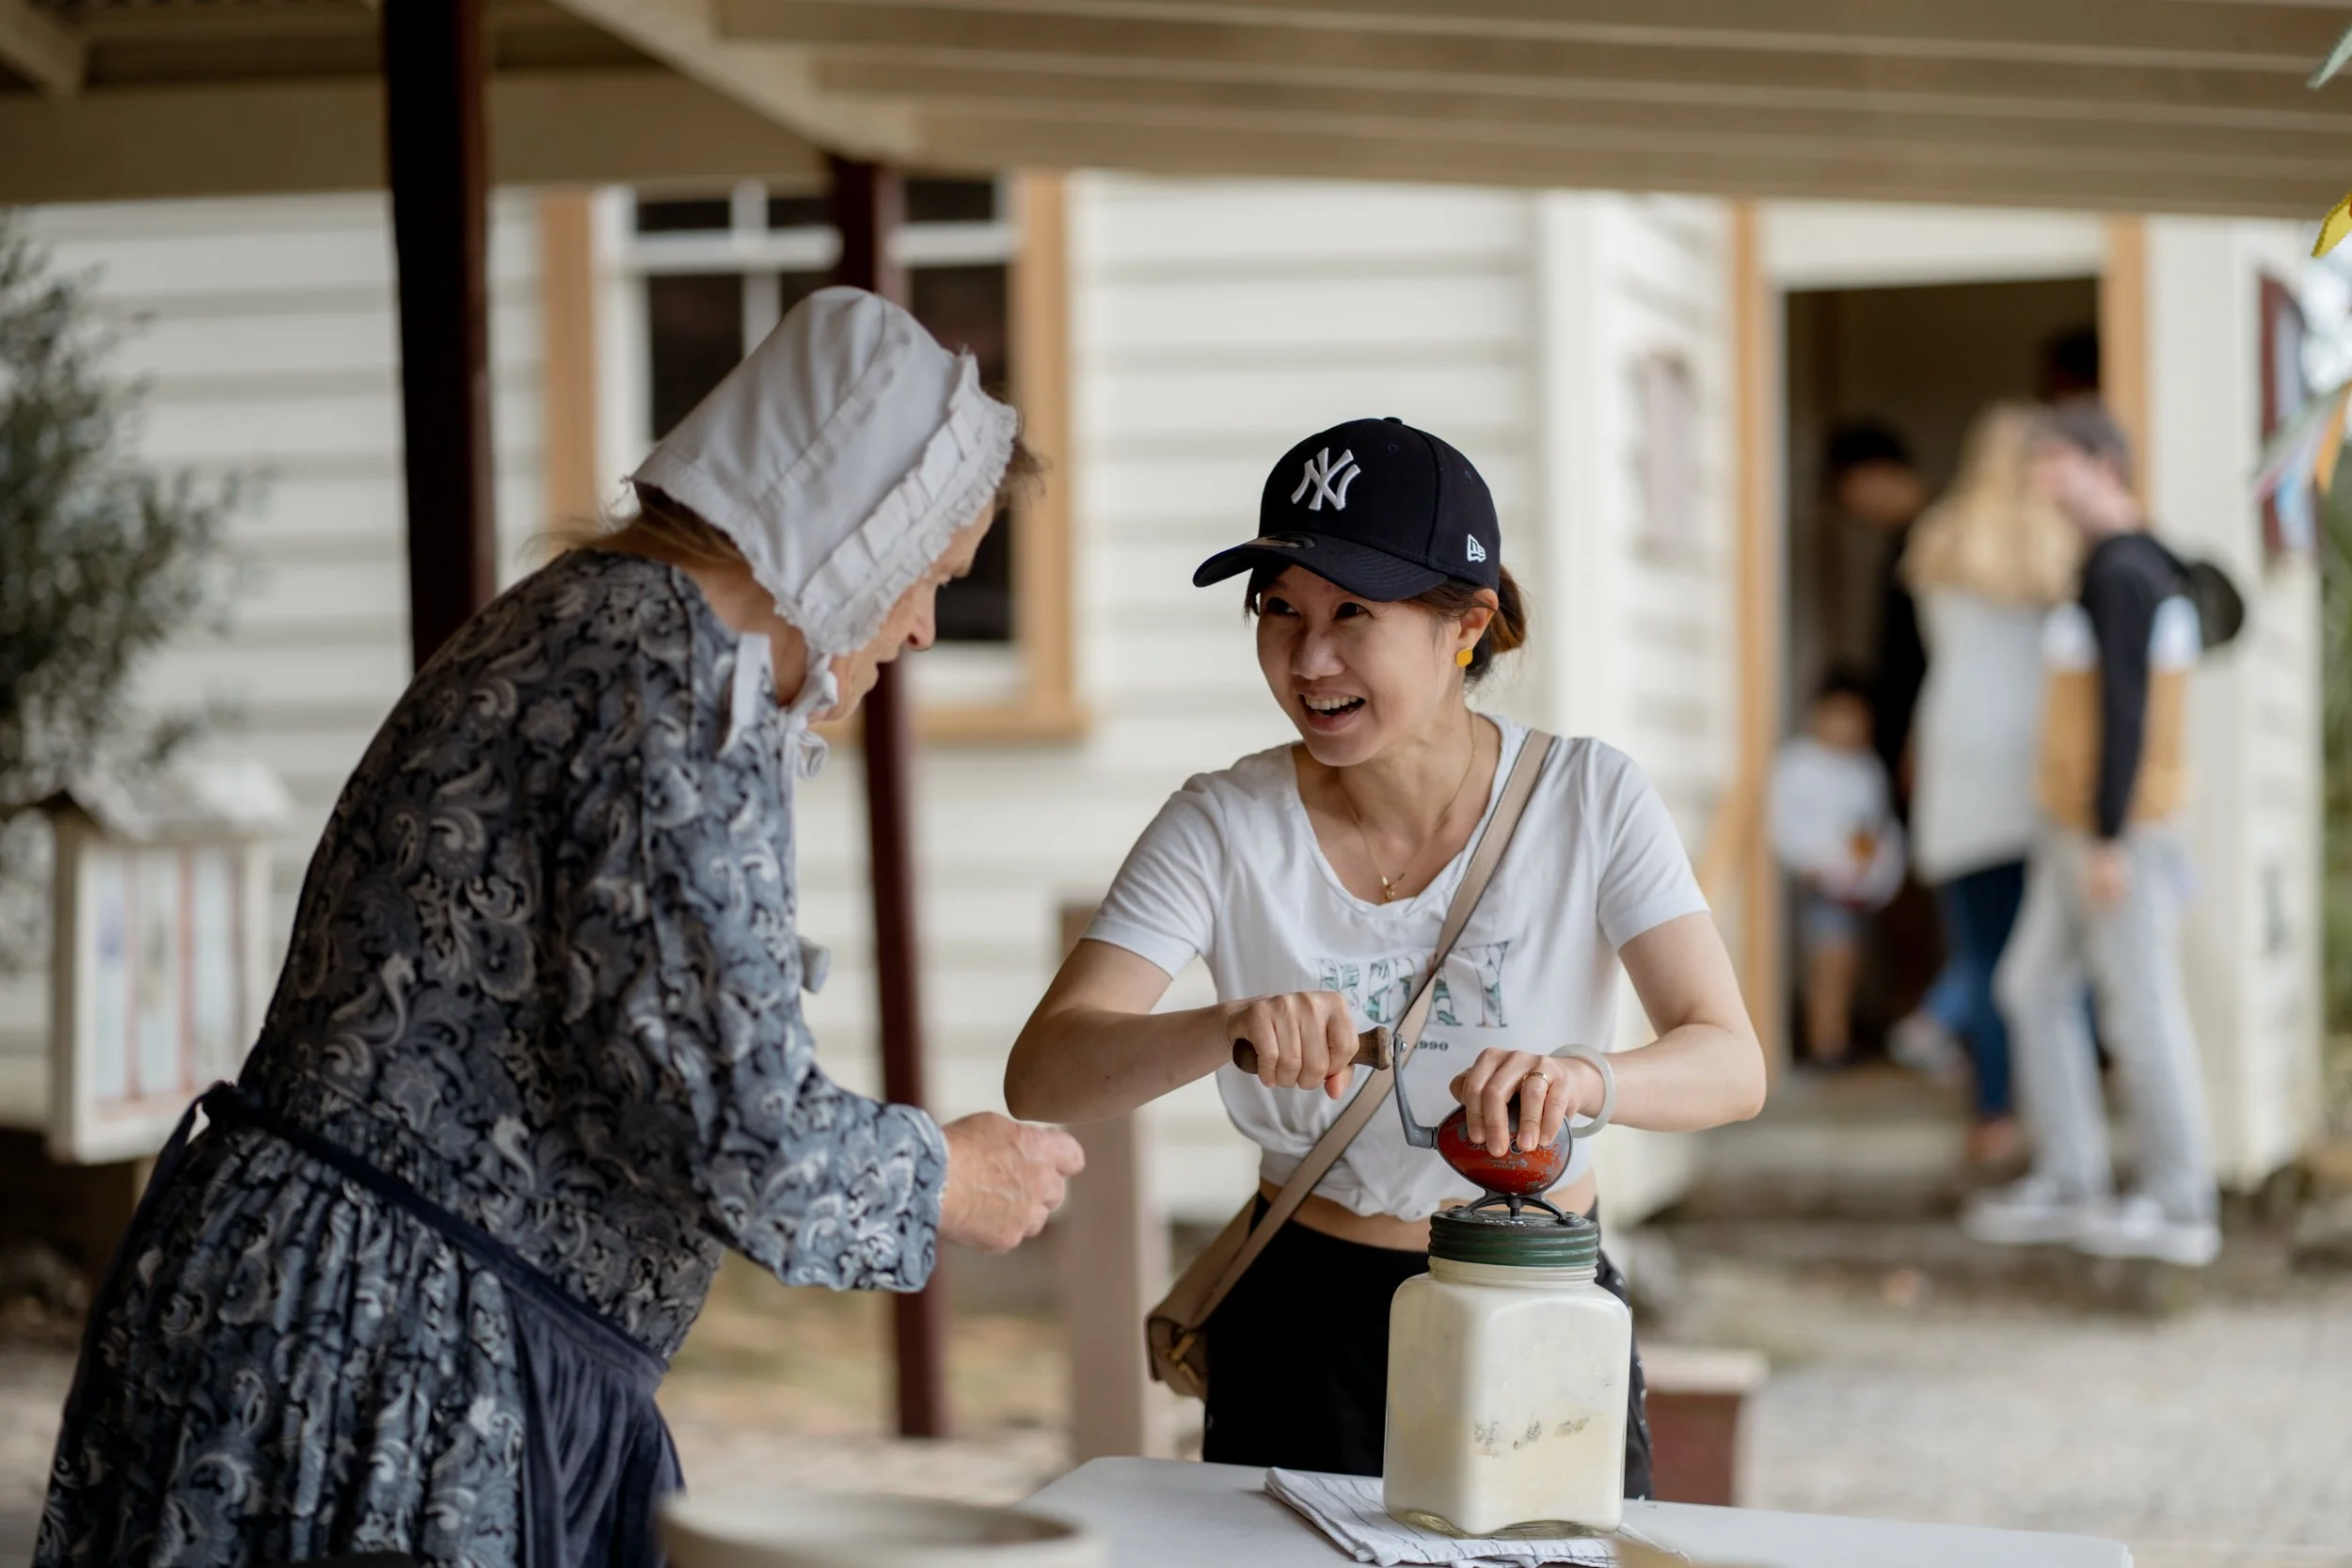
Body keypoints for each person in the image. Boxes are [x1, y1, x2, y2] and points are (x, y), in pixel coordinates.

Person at [36, 289, 1087, 1568]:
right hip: (396, 1353)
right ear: (858, 528)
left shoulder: (586, 616)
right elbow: (732, 1123)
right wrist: (945, 1176)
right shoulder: (670, 665)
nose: (920, 626)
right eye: (932, 576)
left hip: (330, 1301)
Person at [1004, 417, 1768, 1488]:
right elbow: (1045, 1070)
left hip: (1534, 1297)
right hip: (1302, 1310)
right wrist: (1223, 1026)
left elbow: (1731, 1062)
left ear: (1468, 624)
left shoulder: (1589, 797)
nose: (1309, 658)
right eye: (1280, 609)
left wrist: (1581, 1079)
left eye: (1352, 612)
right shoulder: (1223, 822)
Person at [1963, 402, 2224, 1267]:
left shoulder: (2124, 569)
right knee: (2031, 985)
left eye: (2054, 462)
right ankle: (2073, 1178)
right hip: (2074, 826)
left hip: (2117, 830)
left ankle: (2182, 1200)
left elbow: (2127, 708)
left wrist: (2111, 833)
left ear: (2102, 466)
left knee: (2141, 1007)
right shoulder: (2118, 563)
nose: (2039, 479)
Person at [1899, 404, 2084, 1168]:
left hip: (1955, 743)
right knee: (2040, 955)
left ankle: (1993, 1112)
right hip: (2031, 754)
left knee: (1980, 942)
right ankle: (2053, 1118)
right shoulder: (2058, 544)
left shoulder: (1937, 537)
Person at [1770, 668, 1908, 1068]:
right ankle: (1825, 1044)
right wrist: (1813, 864)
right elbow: (1785, 826)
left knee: (1849, 965)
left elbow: (1876, 828)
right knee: (1829, 962)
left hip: (1857, 886)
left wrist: (1875, 870)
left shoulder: (1867, 769)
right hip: (1821, 884)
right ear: (1819, 714)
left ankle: (1838, 1036)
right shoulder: (1798, 765)